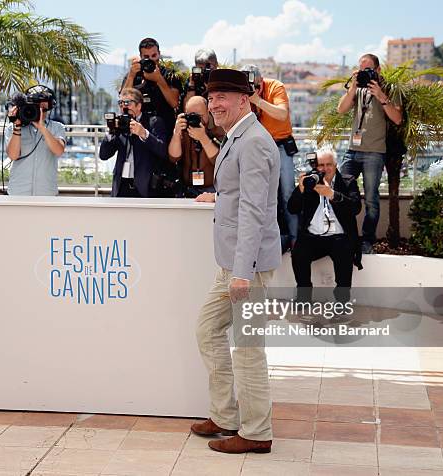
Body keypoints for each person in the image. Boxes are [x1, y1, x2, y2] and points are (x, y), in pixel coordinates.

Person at [192, 69, 280, 454]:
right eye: (211, 100)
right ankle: (225, 416)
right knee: (208, 330)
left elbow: (255, 210)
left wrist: (242, 273)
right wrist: (218, 196)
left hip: (248, 267)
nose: (215, 105)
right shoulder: (238, 137)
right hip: (231, 262)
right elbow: (239, 191)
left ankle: (257, 433)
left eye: (222, 98)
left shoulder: (255, 141)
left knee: (247, 347)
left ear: (244, 100)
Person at [337, 53, 402, 253]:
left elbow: (398, 118)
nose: (364, 73)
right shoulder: (356, 90)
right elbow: (341, 109)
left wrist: (381, 96)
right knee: (340, 190)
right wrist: (353, 87)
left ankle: (367, 239)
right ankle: (345, 235)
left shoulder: (391, 89)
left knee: (372, 199)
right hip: (352, 150)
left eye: (368, 69)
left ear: (378, 70)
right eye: (361, 69)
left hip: (374, 152)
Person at [288, 149, 363, 304]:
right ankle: (304, 297)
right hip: (313, 237)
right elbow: (292, 208)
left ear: (336, 166)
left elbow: (356, 208)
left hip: (339, 237)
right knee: (298, 254)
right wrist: (300, 190)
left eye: (329, 164)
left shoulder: (348, 181)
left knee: (345, 255)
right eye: (321, 165)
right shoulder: (310, 182)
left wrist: (332, 194)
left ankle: (342, 301)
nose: (325, 168)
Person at [241, 64, 298, 252]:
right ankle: (270, 241)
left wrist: (257, 100)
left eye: (256, 85)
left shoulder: (275, 87)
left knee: (288, 193)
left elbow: (282, 114)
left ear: (260, 81)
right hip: (257, 148)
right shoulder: (242, 94)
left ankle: (296, 240)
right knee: (262, 196)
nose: (253, 89)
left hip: (281, 145)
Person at [99, 88, 167, 197]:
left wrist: (144, 133)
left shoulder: (153, 122)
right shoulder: (119, 124)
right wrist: (111, 132)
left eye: (127, 103)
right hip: (121, 186)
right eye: (120, 103)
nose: (123, 106)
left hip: (144, 187)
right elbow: (103, 155)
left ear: (139, 106)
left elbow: (163, 151)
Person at [5, 85, 66, 196]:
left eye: (43, 107)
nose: (39, 110)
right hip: (18, 192)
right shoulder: (12, 128)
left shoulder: (57, 127)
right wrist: (17, 126)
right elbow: (13, 156)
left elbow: (59, 151)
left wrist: (42, 128)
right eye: (35, 106)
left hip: (47, 192)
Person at [121, 38, 182, 138]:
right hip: (139, 131)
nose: (151, 59)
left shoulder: (170, 75)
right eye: (146, 57)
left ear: (159, 54)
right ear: (141, 57)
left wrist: (159, 80)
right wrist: (131, 75)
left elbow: (174, 102)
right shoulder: (134, 75)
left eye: (154, 55)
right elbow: (123, 100)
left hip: (166, 130)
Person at [168, 96, 224, 196]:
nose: (195, 119)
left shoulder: (218, 128)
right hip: (187, 188)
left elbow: (220, 162)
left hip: (212, 190)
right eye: (191, 115)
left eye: (199, 115)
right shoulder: (184, 129)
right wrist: (176, 134)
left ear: (208, 111)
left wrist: (203, 138)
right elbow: (173, 158)